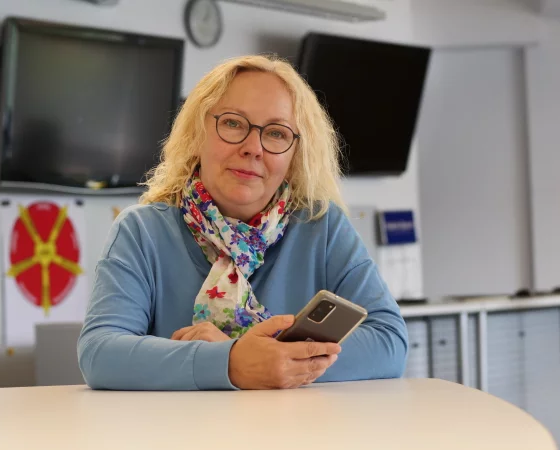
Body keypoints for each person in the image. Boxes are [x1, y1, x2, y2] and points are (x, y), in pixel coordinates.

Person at [77, 54, 408, 391]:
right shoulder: (141, 232)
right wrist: (231, 363)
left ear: (296, 155)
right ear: (197, 132)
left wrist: (262, 357)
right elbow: (100, 354)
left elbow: (389, 342)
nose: (253, 148)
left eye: (276, 133)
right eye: (233, 123)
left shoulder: (322, 227)